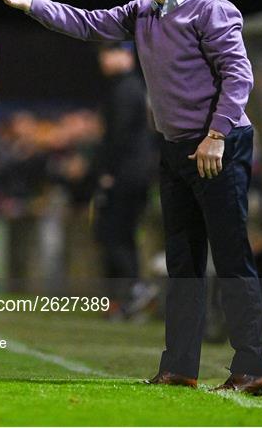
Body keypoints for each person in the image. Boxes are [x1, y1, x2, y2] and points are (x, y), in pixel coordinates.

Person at [0, 0, 262, 394]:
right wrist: (32, 5)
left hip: (217, 146)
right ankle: (180, 367)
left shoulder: (211, 8)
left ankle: (251, 368)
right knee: (181, 260)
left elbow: (239, 75)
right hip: (174, 147)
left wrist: (217, 134)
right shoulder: (143, 11)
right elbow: (86, 22)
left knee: (230, 256)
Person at [94, 42, 155, 318]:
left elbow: (118, 136)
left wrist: (107, 172)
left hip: (126, 173)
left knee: (114, 233)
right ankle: (128, 298)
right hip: (135, 172)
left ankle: (133, 290)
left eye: (109, 53)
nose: (103, 59)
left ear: (126, 55)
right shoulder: (132, 86)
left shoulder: (125, 89)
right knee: (123, 235)